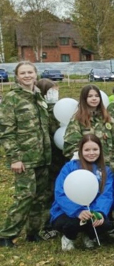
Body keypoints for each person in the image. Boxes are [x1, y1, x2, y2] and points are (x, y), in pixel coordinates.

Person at [0, 62, 52, 247]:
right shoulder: (11, 99)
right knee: (25, 196)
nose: (27, 75)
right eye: (23, 73)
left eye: (30, 72)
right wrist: (15, 158)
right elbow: (6, 131)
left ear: (36, 74)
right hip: (24, 159)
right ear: (17, 76)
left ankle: (33, 232)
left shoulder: (38, 96)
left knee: (40, 197)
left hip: (43, 157)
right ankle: (6, 235)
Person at [50, 134, 113, 251]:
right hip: (67, 211)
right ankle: (68, 237)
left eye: (95, 149)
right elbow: (60, 193)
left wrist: (99, 212)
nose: (91, 153)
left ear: (100, 150)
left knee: (105, 224)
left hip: (92, 209)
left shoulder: (105, 170)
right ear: (80, 151)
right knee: (73, 223)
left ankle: (89, 236)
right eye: (87, 150)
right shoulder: (69, 168)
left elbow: (106, 195)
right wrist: (77, 211)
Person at [64, 85, 114, 174]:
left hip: (109, 168)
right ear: (84, 99)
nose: (94, 98)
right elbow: (71, 147)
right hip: (87, 168)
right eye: (90, 96)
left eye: (96, 96)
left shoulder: (107, 118)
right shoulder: (77, 120)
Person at [36, 78, 64, 239]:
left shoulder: (59, 108)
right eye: (52, 90)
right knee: (48, 192)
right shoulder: (43, 112)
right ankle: (45, 226)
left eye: (56, 90)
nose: (55, 93)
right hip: (48, 157)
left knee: (58, 190)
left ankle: (55, 222)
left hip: (61, 157)